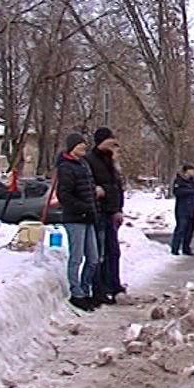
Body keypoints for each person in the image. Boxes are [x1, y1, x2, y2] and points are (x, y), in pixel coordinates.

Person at [56, 133, 100, 311]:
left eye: (84, 145)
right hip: (75, 218)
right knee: (77, 257)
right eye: (80, 145)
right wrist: (82, 207)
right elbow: (64, 195)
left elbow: (88, 189)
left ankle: (86, 289)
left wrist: (93, 206)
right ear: (72, 147)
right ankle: (77, 293)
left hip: (88, 217)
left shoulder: (84, 164)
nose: (84, 148)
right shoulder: (66, 167)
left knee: (94, 258)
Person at [85, 127, 125, 305]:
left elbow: (117, 186)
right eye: (110, 142)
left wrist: (118, 209)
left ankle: (113, 284)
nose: (113, 146)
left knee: (113, 251)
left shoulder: (111, 163)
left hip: (111, 211)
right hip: (100, 212)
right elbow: (92, 186)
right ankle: (99, 288)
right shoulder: (90, 161)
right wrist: (103, 191)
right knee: (100, 252)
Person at [171, 164, 194, 256]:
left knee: (190, 230)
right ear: (186, 171)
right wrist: (192, 192)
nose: (193, 173)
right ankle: (175, 248)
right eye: (191, 170)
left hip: (191, 210)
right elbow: (177, 192)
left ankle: (186, 248)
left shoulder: (192, 182)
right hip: (182, 210)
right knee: (181, 229)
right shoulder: (179, 181)